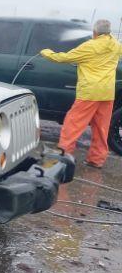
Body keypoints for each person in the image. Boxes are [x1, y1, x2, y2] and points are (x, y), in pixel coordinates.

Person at [40, 19, 122, 168]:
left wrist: (46, 53)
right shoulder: (116, 45)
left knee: (73, 124)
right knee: (101, 128)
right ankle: (96, 160)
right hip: (107, 93)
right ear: (109, 32)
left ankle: (64, 155)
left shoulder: (90, 46)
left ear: (95, 32)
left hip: (89, 93)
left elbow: (64, 58)